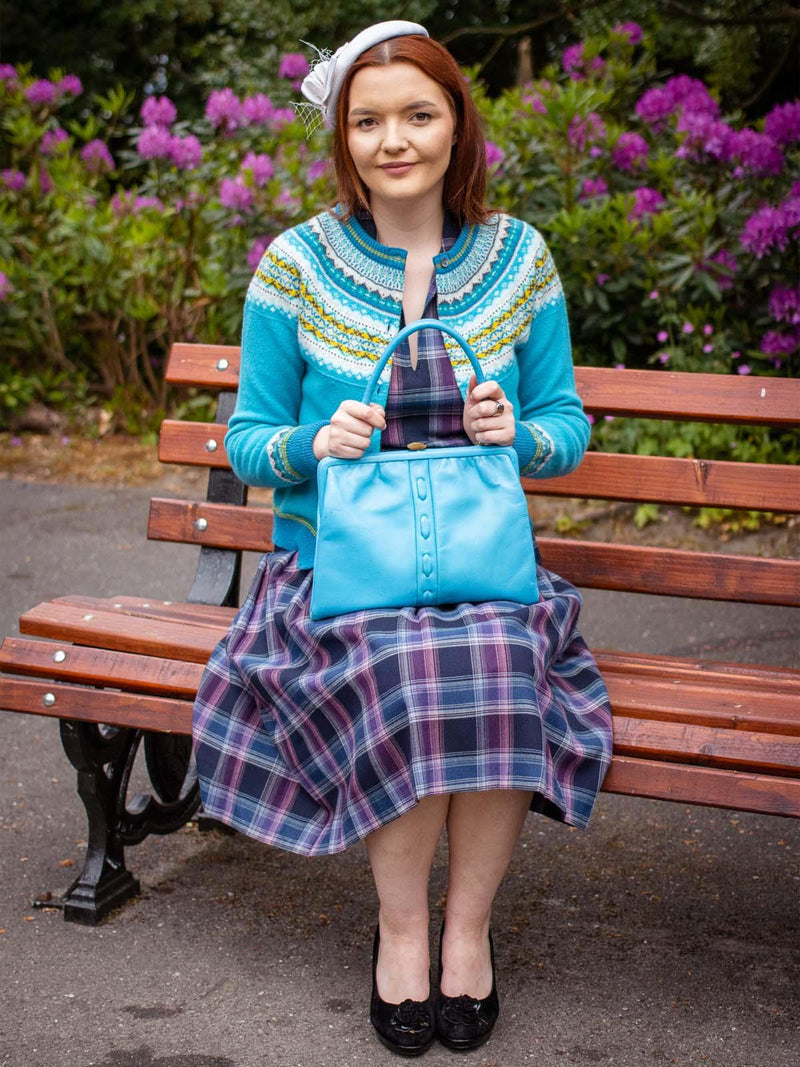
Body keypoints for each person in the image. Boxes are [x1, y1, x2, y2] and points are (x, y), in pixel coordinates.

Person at [192, 20, 612, 1057]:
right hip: (331, 570)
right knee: (412, 660)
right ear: (341, 138)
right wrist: (309, 441)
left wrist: (519, 430)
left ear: (455, 125)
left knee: (493, 649)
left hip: (479, 567)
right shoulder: (293, 265)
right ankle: (398, 931)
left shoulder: (518, 258)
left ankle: (464, 931)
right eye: (367, 120)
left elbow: (566, 424)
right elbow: (249, 441)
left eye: (417, 115)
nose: (394, 140)